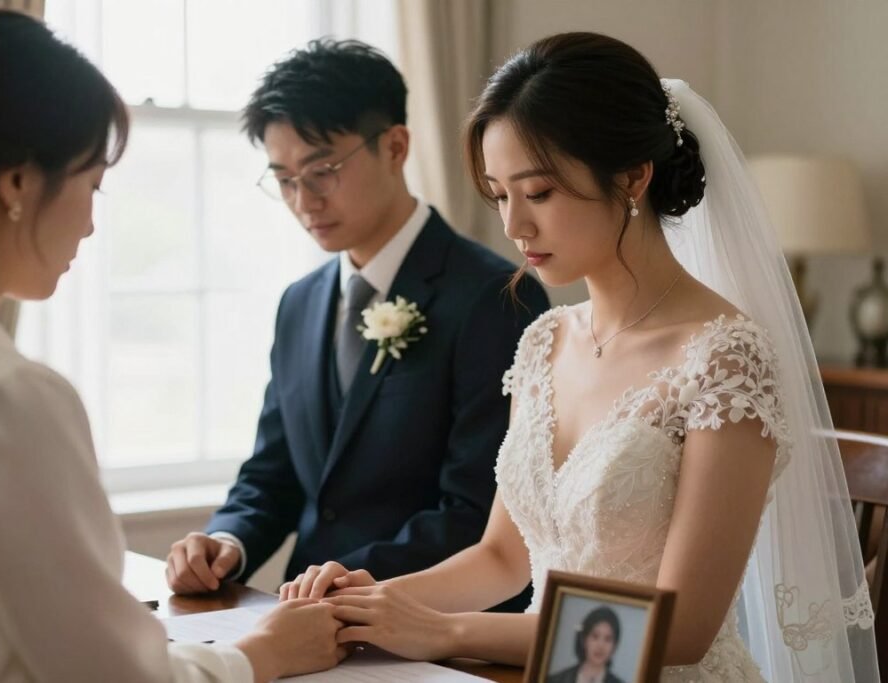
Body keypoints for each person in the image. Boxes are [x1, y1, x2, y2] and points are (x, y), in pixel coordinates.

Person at [280, 32, 879, 682]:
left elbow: (682, 628)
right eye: (500, 194)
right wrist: (373, 600)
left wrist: (445, 631)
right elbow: (503, 557)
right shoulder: (545, 341)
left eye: (538, 193)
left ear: (632, 177)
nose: (514, 226)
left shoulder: (725, 358)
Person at [0, 11, 344, 682]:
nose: (91, 224)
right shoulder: (3, 398)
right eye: (91, 183)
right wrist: (264, 653)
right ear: (17, 182)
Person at [165, 39, 548, 613]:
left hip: (432, 623)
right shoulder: (299, 303)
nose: (304, 201)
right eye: (284, 179)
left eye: (321, 171)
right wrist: (226, 542)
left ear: (395, 147)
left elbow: (478, 511)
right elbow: (273, 474)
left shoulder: (495, 298)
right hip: (303, 619)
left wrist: (345, 582)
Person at [547, 607, 625, 683]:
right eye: (595, 636)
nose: (600, 646)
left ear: (614, 646)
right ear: (584, 639)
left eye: (608, 639)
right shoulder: (555, 680)